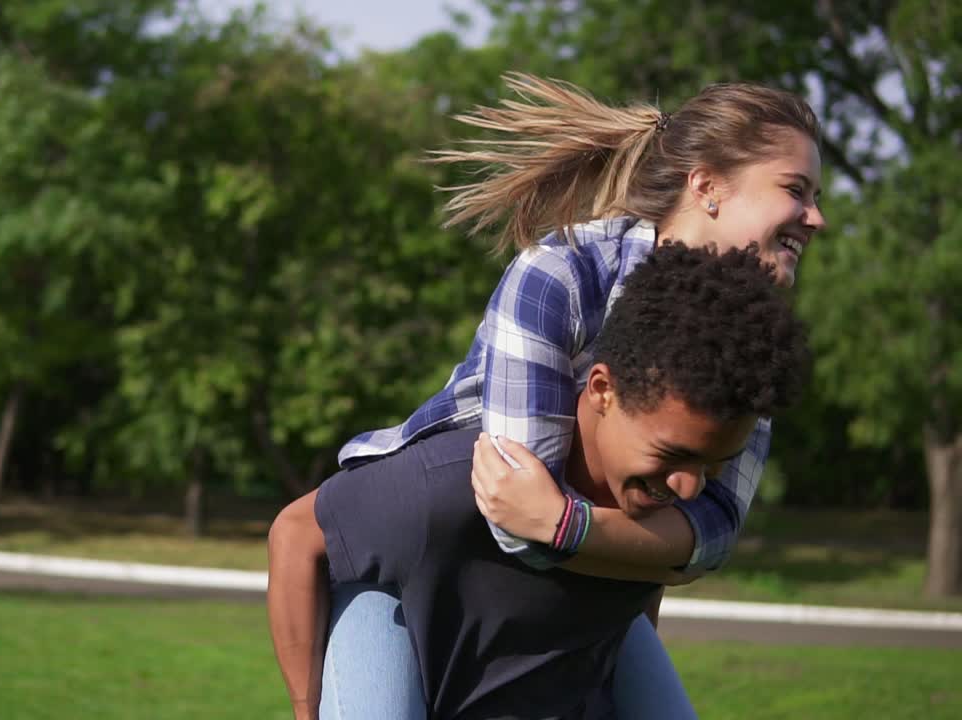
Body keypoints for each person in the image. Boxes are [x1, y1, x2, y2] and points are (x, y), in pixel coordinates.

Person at [312, 74, 827, 718]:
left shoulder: (750, 343)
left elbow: (709, 534)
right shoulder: (565, 272)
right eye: (795, 190)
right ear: (707, 185)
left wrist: (573, 525)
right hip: (427, 560)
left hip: (582, 586)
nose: (817, 217)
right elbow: (517, 515)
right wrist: (649, 546)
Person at [269, 242, 810, 719]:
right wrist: (306, 712)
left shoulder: (656, 509)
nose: (689, 489)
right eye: (672, 455)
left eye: (712, 467)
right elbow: (294, 534)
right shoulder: (459, 481)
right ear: (602, 389)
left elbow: (636, 593)